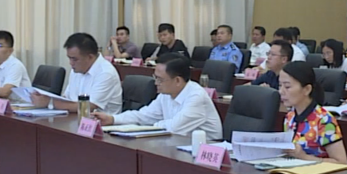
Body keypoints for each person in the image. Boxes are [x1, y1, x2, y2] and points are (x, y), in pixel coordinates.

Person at [92, 54, 222, 139]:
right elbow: (144, 116)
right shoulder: (166, 94)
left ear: (177, 80)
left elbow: (174, 128)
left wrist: (146, 127)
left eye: (160, 79)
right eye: (155, 77)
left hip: (205, 151)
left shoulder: (196, 96)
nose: (155, 83)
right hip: (177, 143)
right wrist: (112, 119)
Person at [31, 33, 122, 113]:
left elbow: (88, 106)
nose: (71, 63)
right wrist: (45, 98)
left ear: (90, 57)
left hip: (101, 124)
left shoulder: (106, 73)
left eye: (74, 59)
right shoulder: (76, 69)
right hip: (75, 118)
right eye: (69, 58)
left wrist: (50, 102)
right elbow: (67, 98)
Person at [278, 62, 347, 163]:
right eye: (280, 85)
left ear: (307, 89)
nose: (281, 91)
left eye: (287, 87)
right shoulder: (290, 117)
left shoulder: (324, 120)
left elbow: (342, 162)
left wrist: (304, 157)